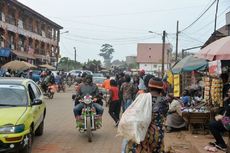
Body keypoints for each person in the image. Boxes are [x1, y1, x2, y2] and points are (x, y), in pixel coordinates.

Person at [125, 77, 169, 153]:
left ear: (149, 87)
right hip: (156, 134)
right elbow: (164, 115)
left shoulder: (141, 97)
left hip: (140, 132)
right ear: (161, 89)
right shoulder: (164, 101)